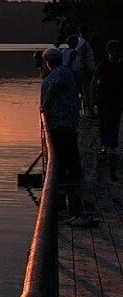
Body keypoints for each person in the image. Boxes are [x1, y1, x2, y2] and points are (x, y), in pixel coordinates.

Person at [42, 47, 92, 226]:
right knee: (67, 160)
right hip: (67, 123)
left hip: (61, 125)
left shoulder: (57, 75)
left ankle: (74, 207)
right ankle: (71, 199)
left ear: (48, 62)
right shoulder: (67, 72)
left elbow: (53, 89)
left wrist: (45, 105)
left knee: (65, 160)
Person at [95, 40, 123, 180]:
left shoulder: (120, 65)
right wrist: (91, 100)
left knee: (115, 122)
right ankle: (105, 146)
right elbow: (94, 81)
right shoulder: (103, 64)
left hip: (117, 98)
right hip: (104, 99)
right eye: (113, 51)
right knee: (104, 122)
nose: (115, 53)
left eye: (117, 51)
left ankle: (112, 145)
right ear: (109, 52)